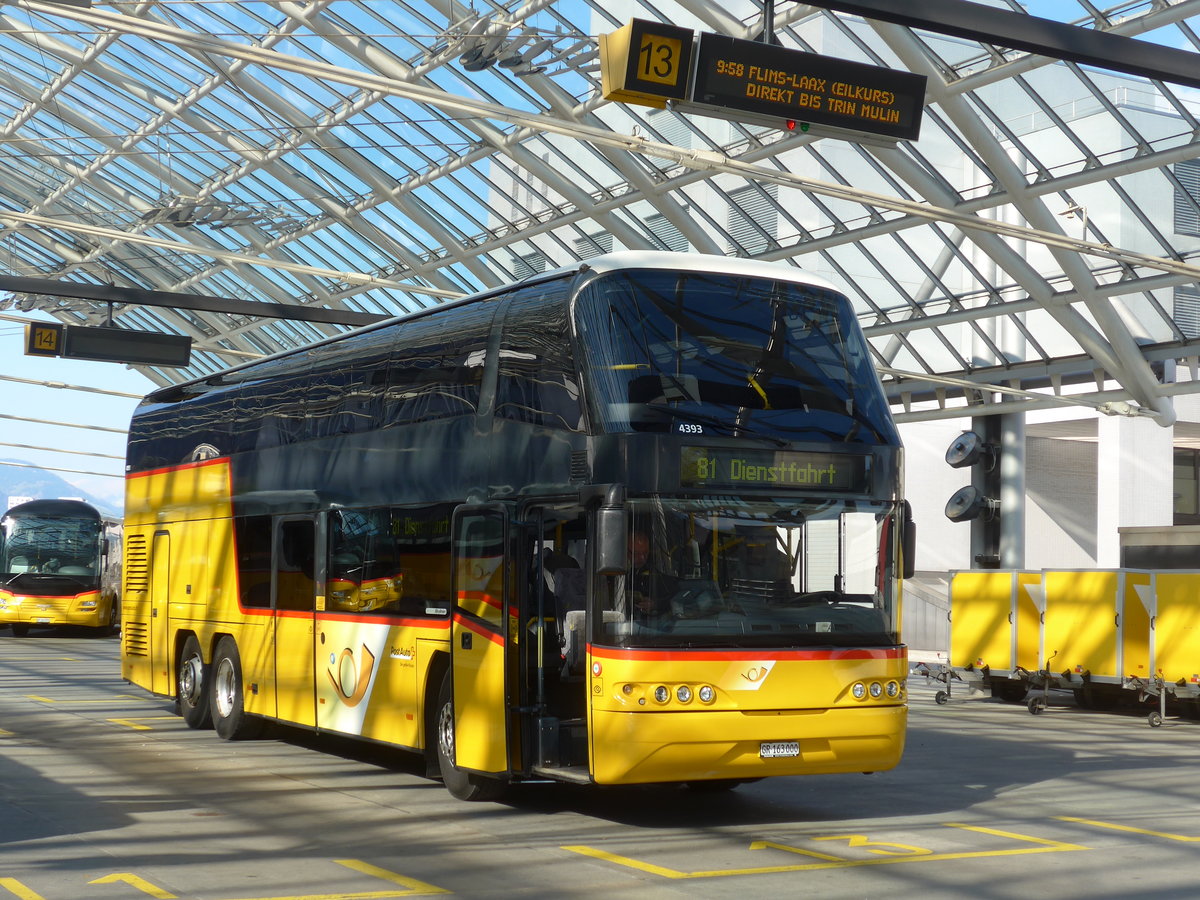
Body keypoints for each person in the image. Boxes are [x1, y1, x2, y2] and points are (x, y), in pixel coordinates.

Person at [624, 530, 676, 628]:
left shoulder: (655, 573)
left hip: (648, 627)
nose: (642, 558)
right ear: (625, 551)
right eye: (636, 554)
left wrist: (655, 604)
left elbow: (674, 597)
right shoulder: (611, 573)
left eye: (645, 553)